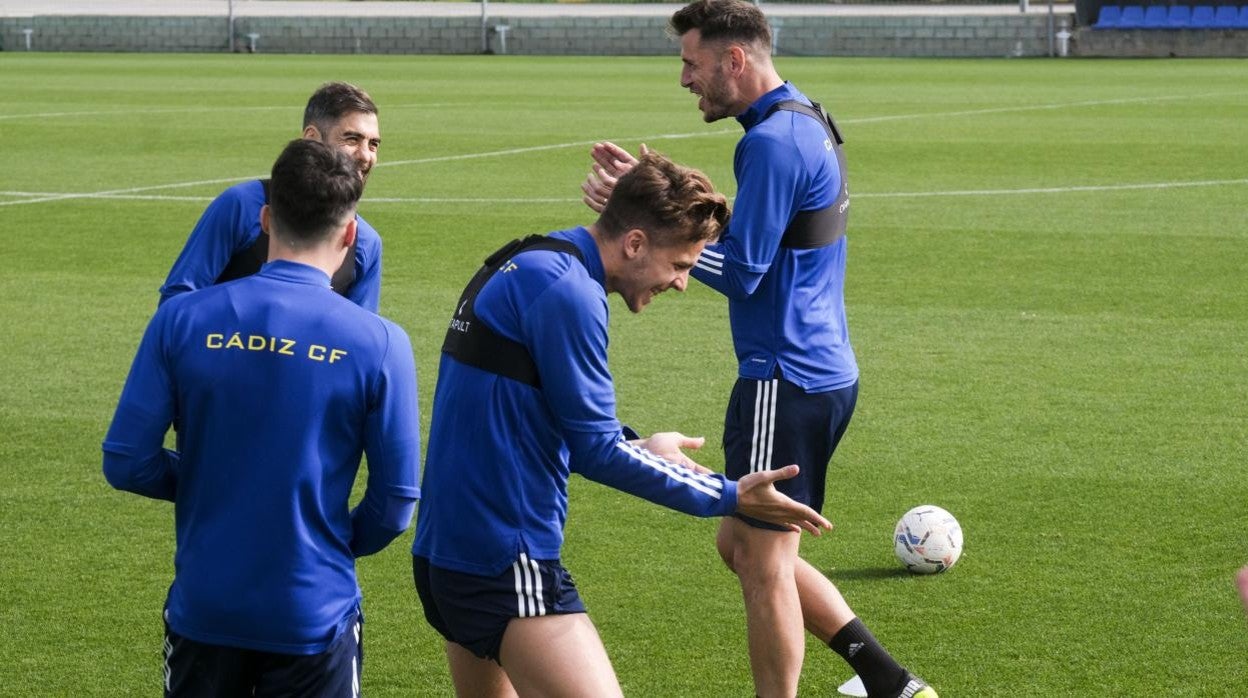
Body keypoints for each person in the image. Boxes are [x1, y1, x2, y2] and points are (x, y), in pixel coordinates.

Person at [579, 2, 935, 696]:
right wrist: (656, 196)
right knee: (740, 544)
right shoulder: (804, 117)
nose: (685, 78)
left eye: (691, 62)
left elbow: (745, 269)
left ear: (733, 59)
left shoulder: (768, 142)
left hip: (784, 374)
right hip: (822, 368)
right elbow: (772, 230)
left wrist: (652, 239)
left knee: (762, 561)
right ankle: (887, 681)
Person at [412, 150, 833, 697]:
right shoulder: (570, 293)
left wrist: (642, 444)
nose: (682, 283)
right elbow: (595, 450)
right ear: (635, 243)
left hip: (448, 553)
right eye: (680, 264)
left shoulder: (529, 258)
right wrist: (730, 495)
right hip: (504, 561)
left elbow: (546, 412)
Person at [103, 138, 420, 697]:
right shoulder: (382, 343)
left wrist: (208, 481)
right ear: (350, 236)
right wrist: (333, 536)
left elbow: (128, 462)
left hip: (206, 602)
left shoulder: (180, 320)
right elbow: (395, 503)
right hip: (313, 609)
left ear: (266, 219)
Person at [160, 81, 384, 311]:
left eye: (373, 144)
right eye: (352, 139)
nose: (366, 156)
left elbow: (360, 333)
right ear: (311, 139)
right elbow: (176, 302)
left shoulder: (366, 243)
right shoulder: (242, 205)